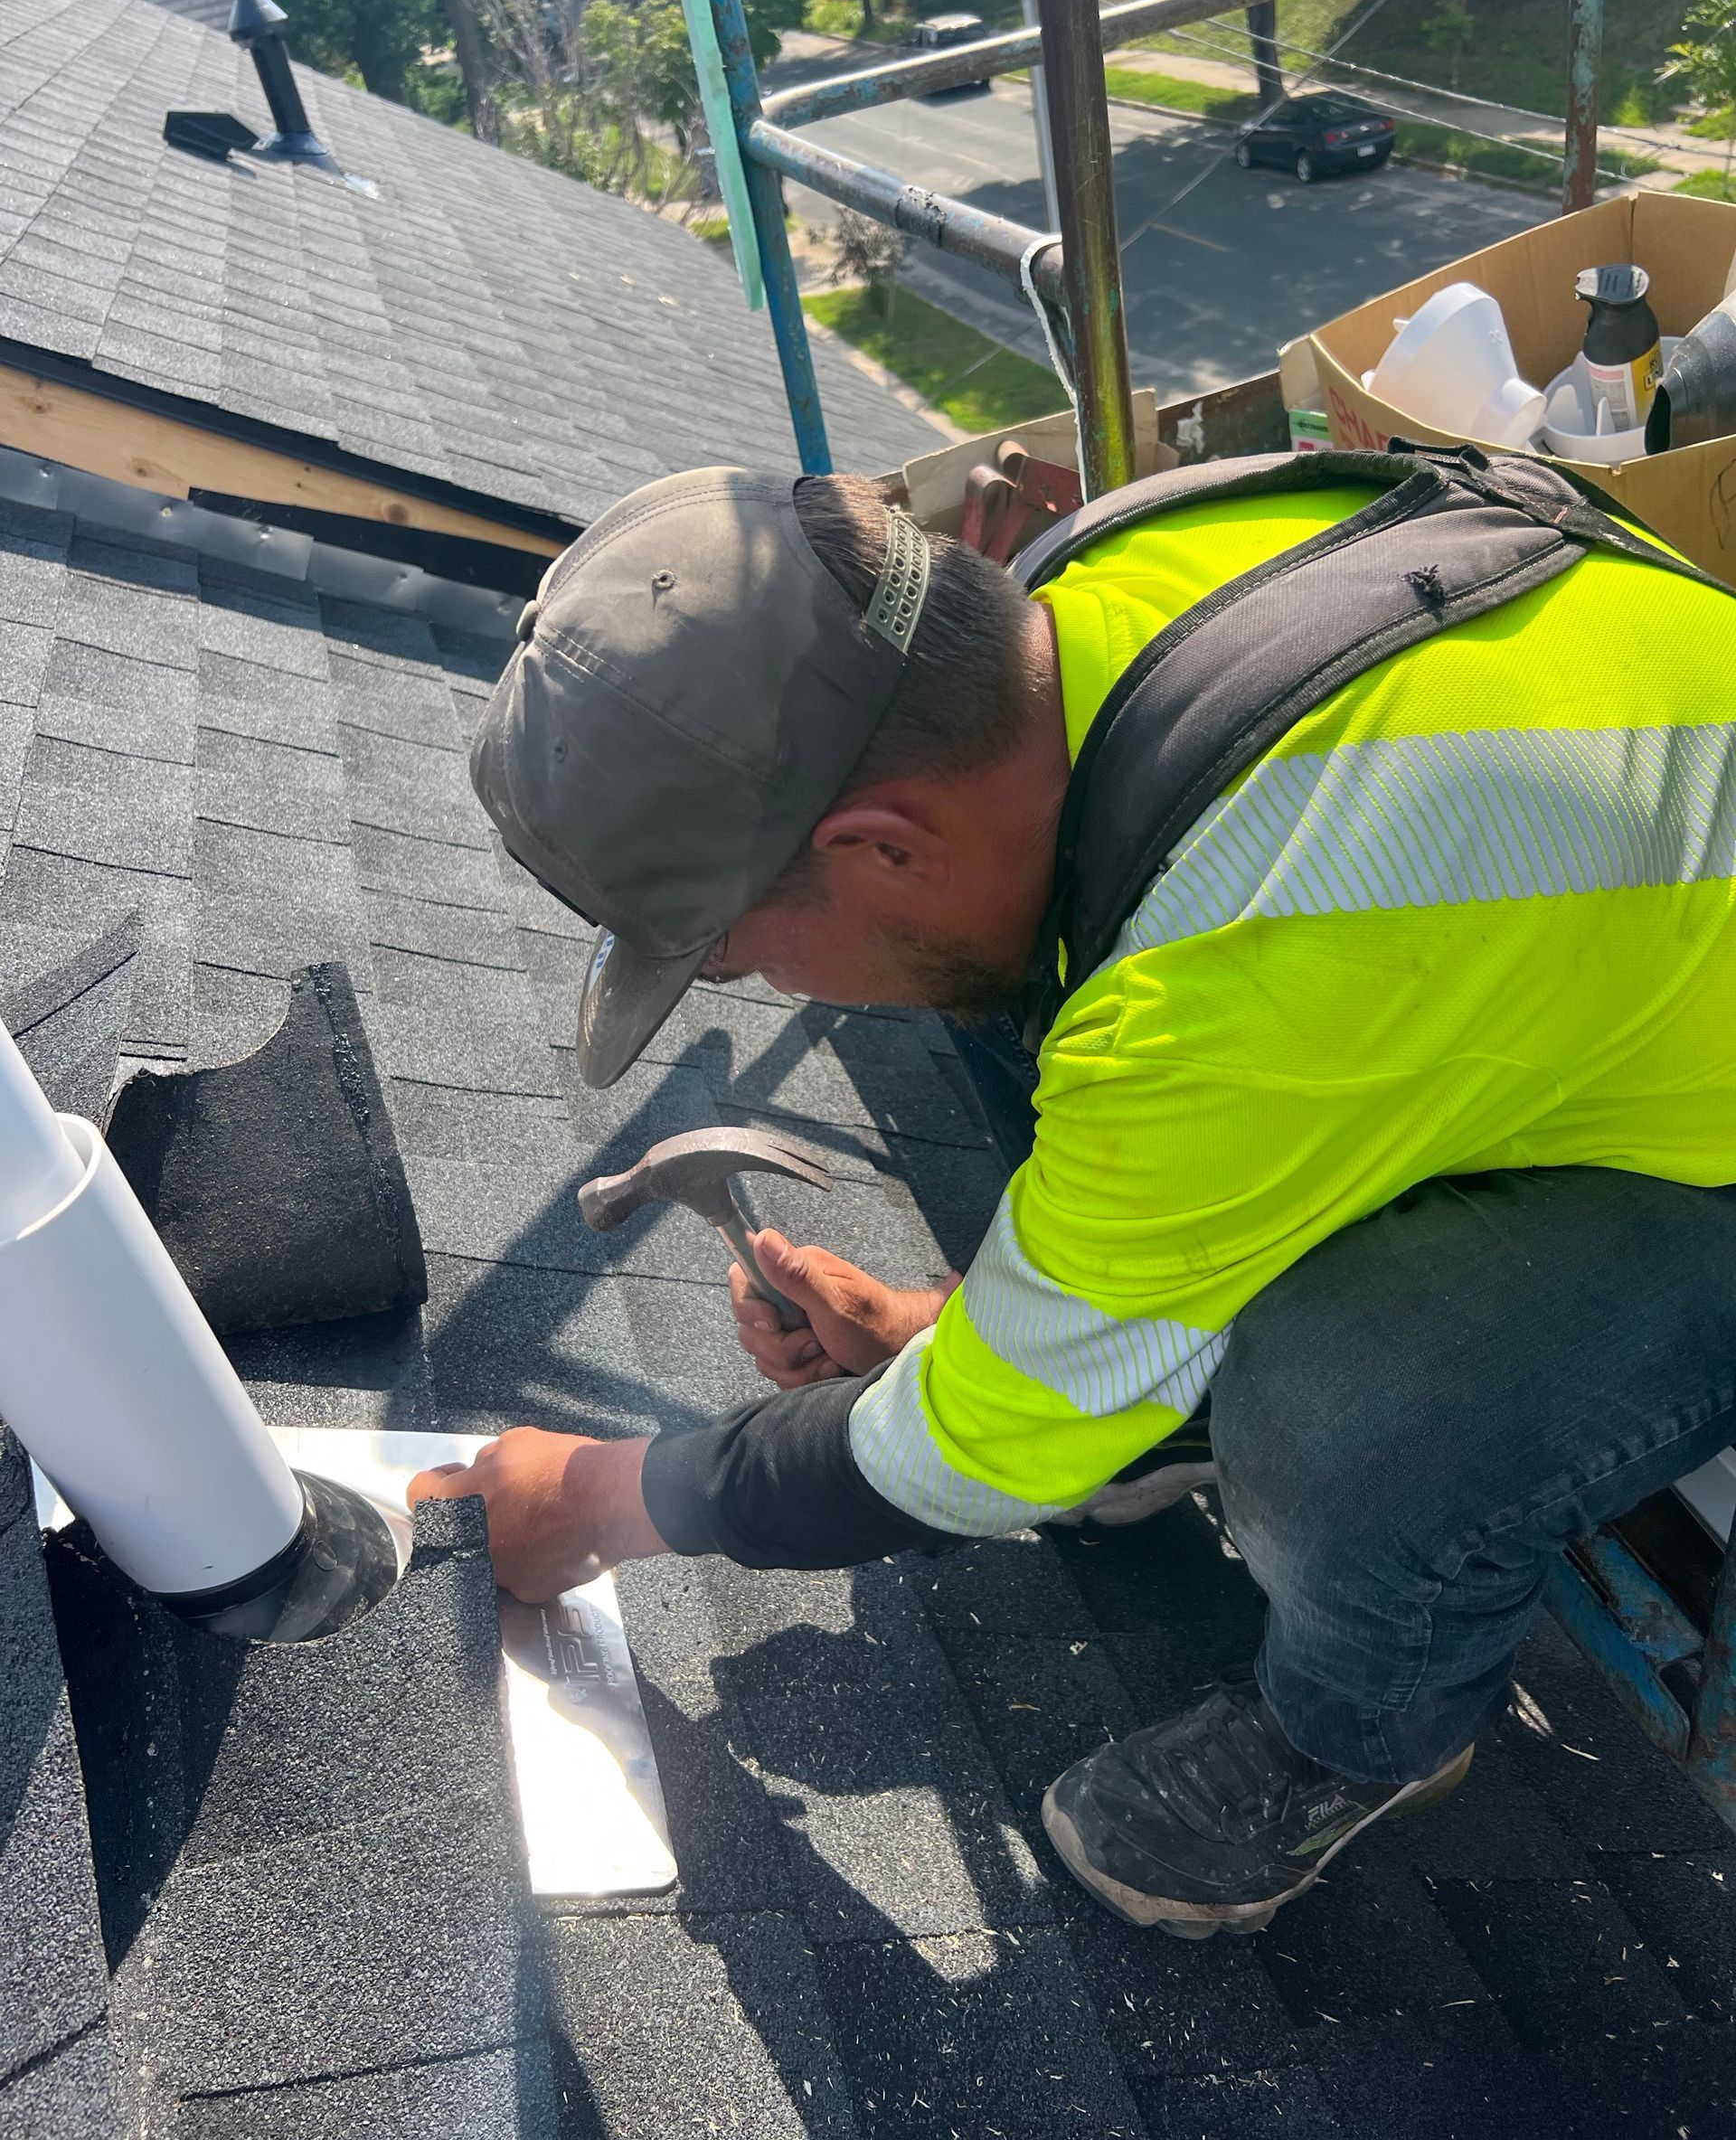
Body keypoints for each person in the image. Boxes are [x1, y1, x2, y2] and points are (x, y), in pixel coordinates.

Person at [407, 462, 1736, 1939]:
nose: (777, 988)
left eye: (740, 955)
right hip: (1623, 986)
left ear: (880, 847)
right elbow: (1234, 1117)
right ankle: (1148, 1398)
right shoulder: (1102, 597)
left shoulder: (1246, 954)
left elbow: (984, 1447)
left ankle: (1363, 1736)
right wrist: (948, 1326)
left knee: (1350, 1418)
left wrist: (602, 1499)